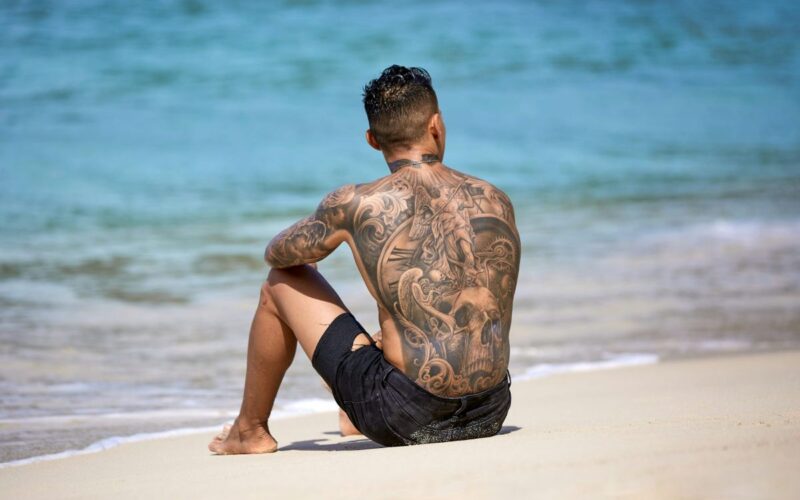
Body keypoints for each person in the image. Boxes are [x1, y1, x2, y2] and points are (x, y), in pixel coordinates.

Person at [209, 65, 521, 453]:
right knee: (407, 327)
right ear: (436, 125)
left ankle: (249, 430)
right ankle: (349, 409)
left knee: (281, 282)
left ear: (373, 140)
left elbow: (276, 253)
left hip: (406, 416)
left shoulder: (357, 203)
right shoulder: (496, 198)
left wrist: (318, 243)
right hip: (491, 410)